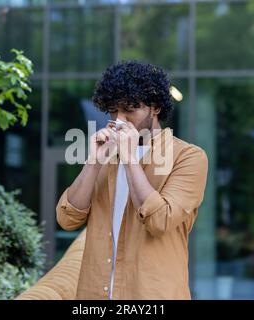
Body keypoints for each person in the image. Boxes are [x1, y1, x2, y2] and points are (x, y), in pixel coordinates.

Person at [56, 60, 208, 300]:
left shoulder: (188, 157)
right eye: (114, 111)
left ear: (155, 107)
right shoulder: (106, 157)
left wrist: (129, 158)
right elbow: (67, 218)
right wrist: (94, 162)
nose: (120, 120)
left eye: (129, 110)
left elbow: (159, 221)